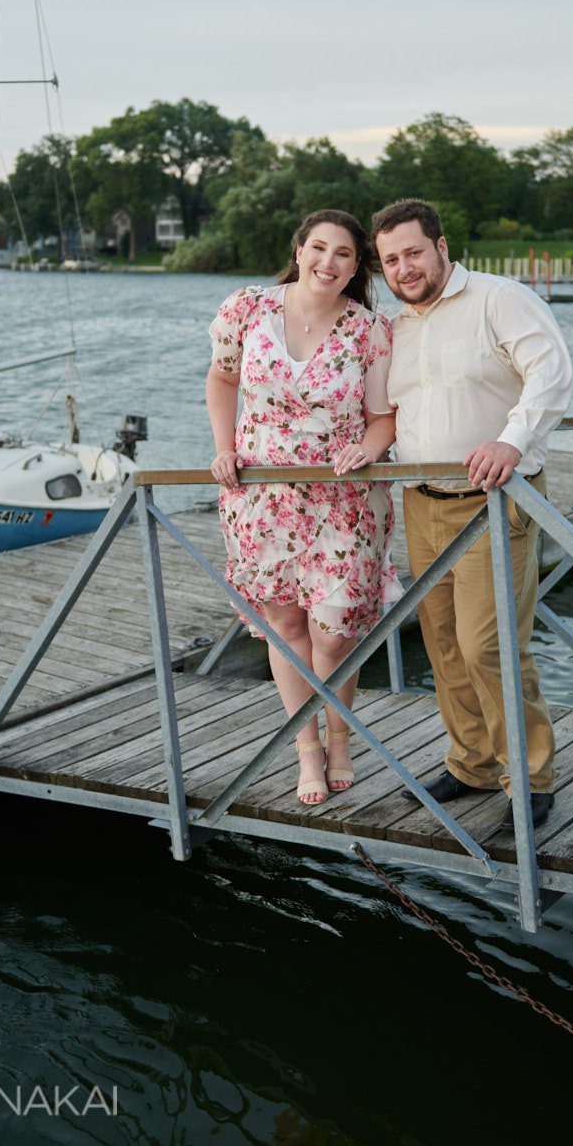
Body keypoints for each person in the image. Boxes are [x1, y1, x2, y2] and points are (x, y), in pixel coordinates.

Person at [372, 199, 573, 829]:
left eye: (412, 252)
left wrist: (512, 440)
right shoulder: (391, 327)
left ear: (440, 246)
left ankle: (530, 774)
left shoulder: (497, 298)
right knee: (443, 647)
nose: (404, 268)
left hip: (494, 501)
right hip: (421, 502)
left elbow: (551, 371)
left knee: (489, 646)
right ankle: (472, 764)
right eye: (390, 260)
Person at [206, 210, 401, 807]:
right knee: (286, 628)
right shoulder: (246, 309)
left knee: (335, 629)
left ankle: (342, 734)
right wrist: (223, 449)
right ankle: (309, 748)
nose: (328, 262)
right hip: (261, 501)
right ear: (298, 250)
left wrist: (364, 451)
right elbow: (221, 381)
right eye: (319, 248)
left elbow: (383, 420)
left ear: (356, 266)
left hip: (344, 503)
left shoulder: (370, 330)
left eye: (344, 253)